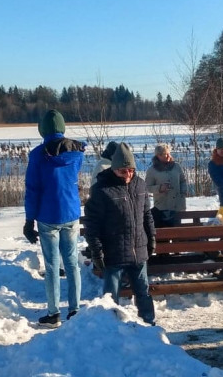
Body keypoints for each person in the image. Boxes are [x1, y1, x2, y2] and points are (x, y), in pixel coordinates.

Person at [24, 109, 85, 325]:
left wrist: (29, 219)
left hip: (47, 215)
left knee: (51, 265)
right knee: (71, 262)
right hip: (71, 212)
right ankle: (75, 308)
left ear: (43, 129)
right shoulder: (77, 151)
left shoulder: (38, 155)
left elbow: (32, 189)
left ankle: (53, 312)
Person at [84, 143, 156, 325]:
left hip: (138, 250)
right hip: (114, 253)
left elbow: (146, 214)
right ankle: (110, 328)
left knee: (143, 293)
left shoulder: (139, 185)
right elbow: (92, 225)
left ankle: (149, 325)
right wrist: (96, 251)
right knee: (110, 298)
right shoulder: (101, 190)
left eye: (131, 170)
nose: (128, 175)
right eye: (123, 171)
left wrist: (151, 238)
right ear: (114, 169)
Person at [145, 143, 189, 228]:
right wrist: (159, 188)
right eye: (165, 154)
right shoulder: (152, 170)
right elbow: (147, 187)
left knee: (177, 235)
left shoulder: (176, 166)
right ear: (158, 156)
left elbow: (183, 181)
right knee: (164, 237)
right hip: (161, 208)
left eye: (169, 153)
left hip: (177, 207)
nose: (168, 156)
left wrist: (183, 192)